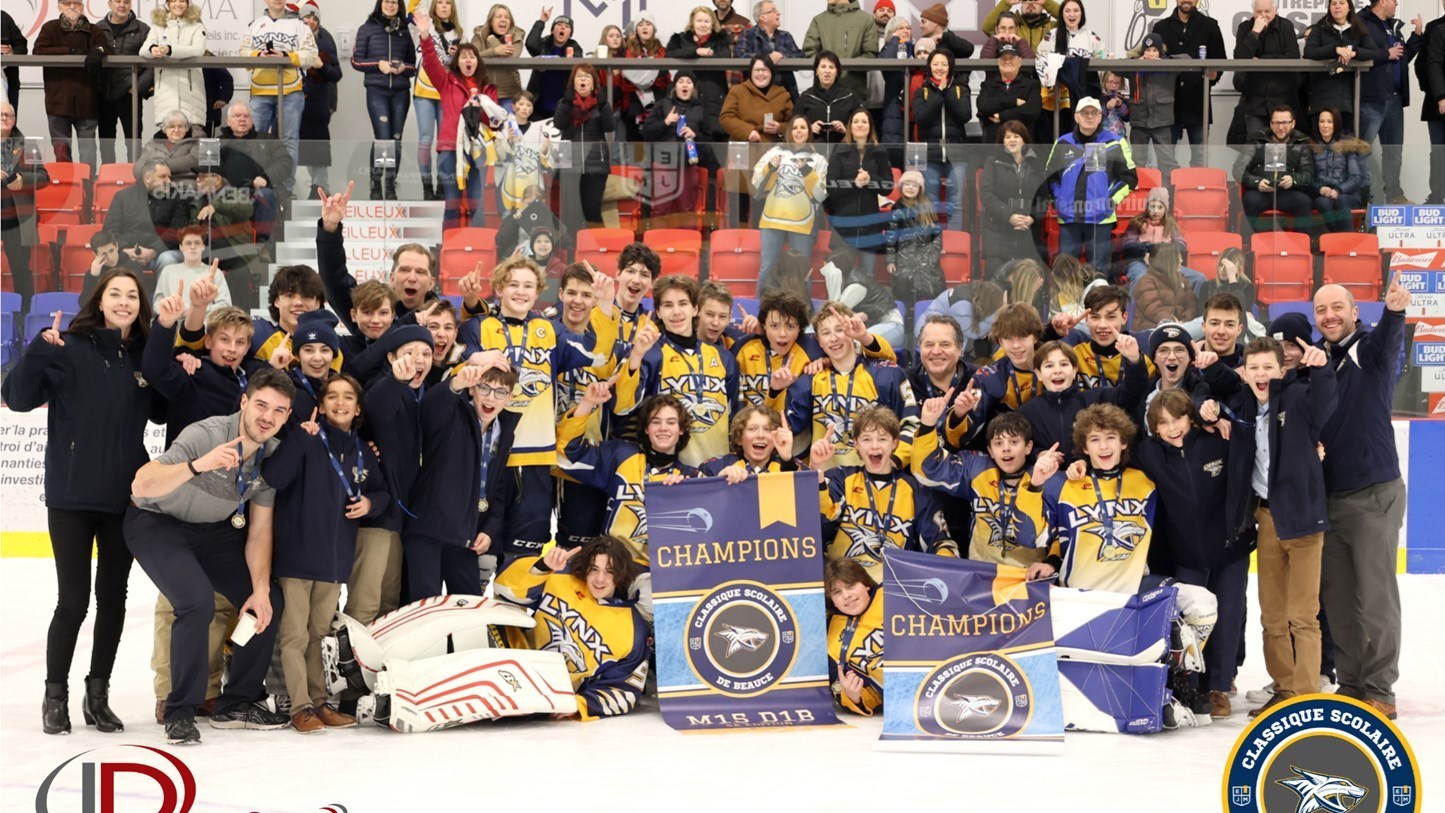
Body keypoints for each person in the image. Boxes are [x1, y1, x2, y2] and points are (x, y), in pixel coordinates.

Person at [3, 268, 156, 736]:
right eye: (116, 293)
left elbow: (169, 403)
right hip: (71, 496)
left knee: (113, 600)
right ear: (100, 300)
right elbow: (16, 398)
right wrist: (36, 352)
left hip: (123, 498)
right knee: (73, 600)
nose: (125, 301)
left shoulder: (144, 357)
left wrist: (180, 364)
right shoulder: (68, 347)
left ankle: (98, 693)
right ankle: (54, 695)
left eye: (132, 295)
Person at [126, 367, 296, 745]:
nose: (267, 417)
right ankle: (180, 711)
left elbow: (259, 531)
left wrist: (260, 588)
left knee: (267, 603)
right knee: (196, 603)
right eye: (261, 406)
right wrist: (197, 465)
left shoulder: (272, 455)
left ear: (287, 417)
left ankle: (236, 703)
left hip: (215, 532)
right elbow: (141, 485)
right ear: (244, 402)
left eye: (279, 411)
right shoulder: (206, 433)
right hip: (157, 522)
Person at [264, 373, 385, 733]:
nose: (340, 402)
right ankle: (300, 705)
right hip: (298, 554)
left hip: (335, 560)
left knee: (318, 634)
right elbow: (274, 476)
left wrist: (370, 503)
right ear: (321, 404)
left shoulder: (364, 450)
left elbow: (382, 493)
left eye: (348, 396)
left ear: (358, 408)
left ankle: (319, 701)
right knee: (294, 635)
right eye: (332, 396)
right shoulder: (306, 438)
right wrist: (300, 438)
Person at [1313, 277, 1411, 719]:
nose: (1329, 316)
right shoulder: (1318, 360)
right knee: (1339, 601)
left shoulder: (1368, 350)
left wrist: (1393, 313)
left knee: (1376, 598)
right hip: (1329, 499)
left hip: (1373, 494)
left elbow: (1388, 346)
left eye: (1337, 307)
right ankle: (1351, 684)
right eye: (1322, 310)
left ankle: (1380, 689)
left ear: (1355, 312)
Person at [1225, 337, 1336, 716]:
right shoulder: (1243, 407)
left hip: (1303, 520)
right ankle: (1285, 688)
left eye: (1268, 367)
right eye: (1253, 367)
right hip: (1267, 518)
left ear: (1282, 370)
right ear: (1244, 371)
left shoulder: (1298, 398)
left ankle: (1305, 694)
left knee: (1302, 615)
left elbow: (1324, 404)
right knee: (1272, 615)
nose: (1261, 374)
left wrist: (1321, 369)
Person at [1133, 389, 1252, 719]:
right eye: (1163, 423)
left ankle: (1219, 687)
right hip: (1185, 554)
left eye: (1179, 419)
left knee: (1228, 618)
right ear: (1154, 428)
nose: (1173, 428)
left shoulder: (1217, 441)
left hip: (1231, 550)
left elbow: (1249, 437)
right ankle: (1192, 684)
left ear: (1192, 418)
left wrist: (1222, 417)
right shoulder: (1147, 453)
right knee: (1192, 620)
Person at [559, 387, 701, 617]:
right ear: (646, 428)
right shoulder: (622, 455)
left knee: (650, 604)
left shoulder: (693, 478)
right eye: (656, 422)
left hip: (655, 572)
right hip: (609, 562)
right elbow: (568, 451)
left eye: (671, 422)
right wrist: (586, 404)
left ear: (681, 430)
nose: (663, 428)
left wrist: (684, 497)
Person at [494, 537, 651, 720]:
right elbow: (503, 588)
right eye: (594, 569)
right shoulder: (560, 579)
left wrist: (581, 704)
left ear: (621, 574)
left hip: (549, 699)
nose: (600, 579)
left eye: (610, 572)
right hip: (510, 670)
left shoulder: (634, 628)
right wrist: (543, 567)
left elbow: (625, 691)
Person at [405, 360, 517, 598]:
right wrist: (455, 383)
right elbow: (429, 408)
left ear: (509, 397)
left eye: (500, 392)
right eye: (485, 388)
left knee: (470, 604)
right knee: (426, 606)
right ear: (472, 389)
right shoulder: (452, 414)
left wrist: (489, 529)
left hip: (467, 534)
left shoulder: (505, 429)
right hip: (429, 528)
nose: (491, 398)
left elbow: (497, 487)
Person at [819, 405, 955, 583]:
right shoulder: (841, 478)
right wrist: (817, 469)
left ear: (895, 443)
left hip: (895, 590)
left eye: (882, 439)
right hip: (846, 587)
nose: (875, 446)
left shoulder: (917, 490)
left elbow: (939, 541)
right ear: (856, 444)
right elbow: (821, 521)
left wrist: (947, 569)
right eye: (867, 439)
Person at [613, 275, 738, 466]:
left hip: (718, 471)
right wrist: (636, 354)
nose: (676, 312)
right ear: (659, 312)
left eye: (683, 303)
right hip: (670, 472)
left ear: (695, 308)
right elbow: (621, 406)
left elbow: (734, 415)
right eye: (668, 305)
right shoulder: (651, 354)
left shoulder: (724, 358)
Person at [913, 410, 1060, 567]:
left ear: (1028, 447)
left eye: (1014, 442)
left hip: (1027, 577)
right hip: (980, 573)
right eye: (998, 443)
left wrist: (1034, 486)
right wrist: (928, 425)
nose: (1006, 449)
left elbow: (1032, 539)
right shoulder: (976, 469)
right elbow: (926, 470)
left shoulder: (1048, 479)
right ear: (990, 450)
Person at [780, 303, 915, 470]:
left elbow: (912, 424)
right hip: (828, 484)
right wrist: (777, 390)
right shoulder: (811, 380)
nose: (834, 338)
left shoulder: (885, 374)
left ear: (852, 332)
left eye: (839, 329)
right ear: (819, 342)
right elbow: (785, 428)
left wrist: (893, 462)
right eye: (826, 333)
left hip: (876, 480)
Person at [414, 7, 501, 230]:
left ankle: (476, 249)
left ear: (478, 62)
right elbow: (431, 63)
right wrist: (425, 36)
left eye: (472, 56)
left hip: (479, 150)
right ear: (457, 62)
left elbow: (494, 121)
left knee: (476, 204)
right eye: (463, 56)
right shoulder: (447, 83)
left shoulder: (489, 89)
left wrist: (480, 107)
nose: (468, 60)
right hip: (450, 149)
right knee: (451, 204)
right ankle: (450, 251)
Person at [1044, 96, 1138, 269]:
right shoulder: (1062, 143)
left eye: (1094, 113)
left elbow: (1129, 178)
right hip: (1069, 219)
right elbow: (1050, 178)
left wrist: (1109, 202)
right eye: (1084, 113)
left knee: (1099, 273)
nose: (1089, 117)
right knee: (1066, 274)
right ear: (1076, 116)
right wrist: (1059, 201)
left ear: (1101, 116)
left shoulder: (1115, 142)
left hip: (1101, 220)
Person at [244, 0, 319, 189]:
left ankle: (286, 188)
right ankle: (255, 187)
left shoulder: (299, 24)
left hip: (290, 90)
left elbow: (311, 55)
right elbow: (243, 53)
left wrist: (287, 56)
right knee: (254, 142)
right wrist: (258, 56)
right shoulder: (254, 25)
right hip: (260, 90)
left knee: (289, 142)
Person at [1359, 0, 1424, 204]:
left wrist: (1416, 36)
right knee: (1361, 150)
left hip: (1394, 98)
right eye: (1394, 0)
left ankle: (1394, 195)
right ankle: (1361, 198)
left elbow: (1401, 58)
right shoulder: (1360, 23)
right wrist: (1385, 54)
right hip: (1371, 98)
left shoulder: (1392, 26)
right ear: (1384, 1)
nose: (1396, 4)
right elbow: (1356, 53)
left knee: (1394, 151)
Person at [752, 116, 827, 291]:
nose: (799, 131)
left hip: (802, 223)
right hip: (772, 220)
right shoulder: (774, 152)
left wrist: (807, 171)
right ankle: (760, 310)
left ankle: (803, 312)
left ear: (809, 132)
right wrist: (770, 166)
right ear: (789, 132)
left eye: (803, 127)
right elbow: (757, 182)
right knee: (767, 268)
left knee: (802, 271)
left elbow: (820, 194)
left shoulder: (818, 159)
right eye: (795, 128)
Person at [1147, 0, 1225, 168]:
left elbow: (1221, 61)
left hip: (1198, 101)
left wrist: (1214, 75)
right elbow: (1152, 62)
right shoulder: (1160, 27)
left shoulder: (1210, 25)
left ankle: (1198, 192)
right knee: (1165, 159)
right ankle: (1167, 193)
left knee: (1200, 158)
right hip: (1166, 103)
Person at [33, 0, 111, 167]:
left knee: (88, 149)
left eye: (76, 3)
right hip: (58, 100)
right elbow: (39, 50)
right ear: (59, 7)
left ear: (82, 7)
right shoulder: (50, 28)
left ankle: (88, 186)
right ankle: (66, 187)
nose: (72, 6)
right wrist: (69, 51)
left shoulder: (94, 30)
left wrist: (99, 51)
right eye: (67, 3)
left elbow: (106, 48)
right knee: (61, 150)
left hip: (86, 98)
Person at [352, 0, 415, 200]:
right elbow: (356, 60)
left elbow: (414, 66)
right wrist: (378, 64)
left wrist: (404, 68)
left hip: (400, 92)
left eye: (394, 2)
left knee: (396, 138)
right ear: (380, 4)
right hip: (377, 90)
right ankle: (376, 184)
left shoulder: (404, 32)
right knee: (383, 137)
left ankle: (390, 184)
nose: (390, 5)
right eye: (386, 1)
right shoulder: (366, 28)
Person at [642, 72, 714, 229]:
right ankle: (658, 248)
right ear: (675, 86)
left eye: (689, 82)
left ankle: (688, 248)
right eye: (681, 81)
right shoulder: (663, 104)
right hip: (663, 162)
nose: (685, 85)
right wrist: (665, 122)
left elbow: (709, 139)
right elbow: (647, 132)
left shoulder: (700, 109)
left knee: (687, 210)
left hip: (688, 164)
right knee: (661, 209)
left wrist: (695, 135)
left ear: (693, 87)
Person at [217, 101, 293, 247]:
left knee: (267, 194)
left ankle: (262, 244)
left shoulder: (267, 139)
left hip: (257, 191)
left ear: (252, 120)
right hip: (226, 192)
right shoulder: (217, 142)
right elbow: (206, 169)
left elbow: (285, 162)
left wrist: (266, 177)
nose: (242, 119)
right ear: (229, 120)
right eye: (237, 116)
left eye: (246, 116)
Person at [912, 48, 972, 231]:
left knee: (956, 202)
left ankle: (954, 241)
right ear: (929, 66)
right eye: (936, 64)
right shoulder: (922, 91)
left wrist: (948, 93)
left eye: (944, 64)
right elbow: (921, 118)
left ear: (950, 67)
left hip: (957, 154)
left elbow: (964, 115)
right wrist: (939, 95)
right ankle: (932, 242)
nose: (940, 68)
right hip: (931, 155)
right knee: (930, 201)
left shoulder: (961, 89)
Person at [554, 63, 617, 232]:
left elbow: (609, 127)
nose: (583, 79)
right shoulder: (565, 102)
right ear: (573, 82)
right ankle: (572, 252)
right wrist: (566, 104)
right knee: (571, 213)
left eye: (587, 76)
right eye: (579, 76)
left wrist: (604, 107)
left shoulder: (601, 103)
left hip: (595, 165)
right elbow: (559, 124)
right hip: (570, 164)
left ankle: (594, 250)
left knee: (592, 210)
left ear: (593, 83)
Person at [980, 120, 1045, 277]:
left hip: (1027, 231)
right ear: (1002, 141)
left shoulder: (1037, 163)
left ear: (1024, 140)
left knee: (1028, 278)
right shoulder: (992, 162)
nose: (1012, 140)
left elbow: (1043, 197)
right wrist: (1009, 216)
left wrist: (1032, 217)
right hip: (998, 230)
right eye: (1007, 137)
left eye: (1016, 136)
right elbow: (987, 195)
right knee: (996, 276)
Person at [0, 103, 49, 311]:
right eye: (0, 114)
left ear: (15, 119)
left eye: (8, 114)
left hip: (17, 220)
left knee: (21, 271)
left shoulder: (29, 145)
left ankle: (24, 315)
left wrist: (23, 178)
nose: (4, 117)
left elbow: (44, 177)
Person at [1237, 105, 1315, 233]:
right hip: (1260, 192)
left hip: (1287, 193)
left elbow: (1308, 173)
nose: (1280, 127)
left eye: (1285, 122)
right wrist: (1256, 182)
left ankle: (1298, 246)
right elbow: (1239, 169)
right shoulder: (1257, 140)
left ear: (1293, 123)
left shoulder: (1301, 143)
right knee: (1250, 201)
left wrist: (1293, 180)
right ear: (1271, 124)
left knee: (1304, 202)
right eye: (1276, 123)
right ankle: (1253, 245)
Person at [825, 108, 891, 256]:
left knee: (868, 274)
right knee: (842, 273)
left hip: (870, 225)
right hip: (844, 224)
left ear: (870, 127)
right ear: (850, 127)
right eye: (856, 121)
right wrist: (855, 183)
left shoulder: (880, 152)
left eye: (864, 121)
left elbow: (888, 186)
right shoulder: (840, 150)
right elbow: (831, 185)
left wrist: (870, 180)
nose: (860, 125)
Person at [102, 161, 189, 272]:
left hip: (162, 252)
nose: (169, 181)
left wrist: (154, 250)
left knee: (167, 260)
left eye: (169, 177)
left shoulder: (177, 198)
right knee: (112, 258)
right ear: (148, 178)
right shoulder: (122, 197)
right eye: (163, 176)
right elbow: (110, 229)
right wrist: (125, 249)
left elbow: (177, 229)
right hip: (127, 252)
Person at [823, 558, 884, 715]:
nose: (846, 595)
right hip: (909, 703)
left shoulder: (893, 595)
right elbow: (871, 696)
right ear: (832, 600)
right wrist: (854, 697)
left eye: (850, 586)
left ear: (866, 584)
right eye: (837, 592)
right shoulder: (830, 637)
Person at [1232, 0, 1300, 141]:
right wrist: (1254, 32)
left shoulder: (1286, 26)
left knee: (1284, 149)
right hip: (1255, 101)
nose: (1263, 15)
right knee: (1256, 148)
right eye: (1259, 12)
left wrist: (1261, 60)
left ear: (1275, 10)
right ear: (1253, 11)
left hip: (1282, 100)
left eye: (1267, 11)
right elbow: (1240, 58)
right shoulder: (1245, 28)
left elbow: (1293, 56)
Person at [1303, 0, 1379, 123]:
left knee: (1347, 139)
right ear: (1329, 8)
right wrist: (1335, 49)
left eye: (1341, 3)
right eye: (1333, 4)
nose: (1337, 6)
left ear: (1349, 7)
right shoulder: (1319, 27)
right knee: (1320, 140)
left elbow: (1375, 53)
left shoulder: (1358, 27)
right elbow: (1309, 52)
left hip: (1350, 97)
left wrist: (1354, 53)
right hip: (1322, 95)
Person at [96, 0, 152, 165]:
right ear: (109, 4)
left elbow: (152, 64)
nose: (122, 5)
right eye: (118, 1)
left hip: (130, 94)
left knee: (133, 140)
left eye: (126, 2)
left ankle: (135, 180)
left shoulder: (143, 29)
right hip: (103, 94)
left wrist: (138, 86)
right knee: (106, 142)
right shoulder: (97, 28)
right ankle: (107, 179)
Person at [1037, 0, 1103, 140]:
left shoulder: (1091, 36)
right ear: (1061, 14)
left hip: (1084, 91)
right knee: (1061, 132)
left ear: (1082, 13)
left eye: (1076, 10)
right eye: (1067, 11)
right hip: (1059, 95)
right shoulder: (1052, 35)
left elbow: (1103, 60)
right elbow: (1040, 58)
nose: (1071, 15)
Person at [820, 243, 904, 348]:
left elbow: (835, 312)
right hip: (872, 324)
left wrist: (833, 280)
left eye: (827, 270)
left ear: (837, 270)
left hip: (889, 324)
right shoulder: (847, 278)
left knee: (853, 344)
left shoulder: (856, 285)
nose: (824, 274)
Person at [297, 2, 341, 200]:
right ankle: (298, 186)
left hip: (318, 102)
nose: (311, 22)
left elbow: (335, 74)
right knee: (293, 144)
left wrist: (321, 66)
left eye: (315, 19)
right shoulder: (290, 35)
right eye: (307, 17)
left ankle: (319, 186)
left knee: (318, 146)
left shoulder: (326, 39)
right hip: (292, 99)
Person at [887, 169, 946, 307]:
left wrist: (934, 254)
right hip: (905, 258)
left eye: (914, 185)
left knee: (932, 290)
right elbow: (891, 236)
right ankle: (908, 319)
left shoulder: (927, 206)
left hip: (927, 257)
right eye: (907, 184)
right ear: (901, 186)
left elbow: (936, 233)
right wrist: (890, 260)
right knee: (906, 293)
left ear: (920, 189)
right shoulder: (897, 208)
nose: (910, 188)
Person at [804, 0, 879, 105]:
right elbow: (809, 51)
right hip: (822, 93)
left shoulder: (865, 20)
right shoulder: (819, 20)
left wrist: (845, 69)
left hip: (854, 92)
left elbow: (870, 54)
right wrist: (827, 68)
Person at [666, 7, 734, 123]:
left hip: (714, 94)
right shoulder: (680, 39)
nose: (703, 25)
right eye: (699, 21)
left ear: (713, 24)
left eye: (707, 21)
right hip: (688, 94)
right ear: (692, 23)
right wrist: (696, 51)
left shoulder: (720, 40)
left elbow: (725, 56)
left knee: (714, 132)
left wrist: (704, 55)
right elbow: (670, 54)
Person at [1310, 106, 1371, 232]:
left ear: (1336, 124)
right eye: (1322, 121)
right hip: (1323, 195)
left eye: (1329, 121)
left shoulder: (1346, 144)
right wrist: (1320, 188)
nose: (1325, 125)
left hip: (1347, 194)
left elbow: (1356, 177)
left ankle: (1345, 239)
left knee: (1341, 200)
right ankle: (1338, 238)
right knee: (1323, 203)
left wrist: (1338, 190)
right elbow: (1308, 177)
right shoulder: (1312, 146)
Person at [1127, 34, 1179, 183]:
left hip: (1162, 122)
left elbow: (1188, 58)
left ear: (1160, 52)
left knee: (1168, 163)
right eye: (1148, 50)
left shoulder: (1169, 66)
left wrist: (1164, 62)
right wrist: (1135, 62)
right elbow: (1116, 66)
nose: (1151, 54)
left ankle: (1170, 196)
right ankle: (1138, 197)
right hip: (1139, 122)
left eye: (1155, 50)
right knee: (1137, 163)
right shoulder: (1134, 67)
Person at [1121, 187, 1191, 288]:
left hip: (1167, 264)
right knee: (1142, 277)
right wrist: (1148, 248)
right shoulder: (1136, 223)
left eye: (1160, 207)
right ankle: (1134, 304)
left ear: (1165, 209)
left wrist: (1163, 250)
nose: (1155, 211)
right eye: (1152, 206)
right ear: (1146, 207)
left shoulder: (1171, 225)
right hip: (1140, 262)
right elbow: (1128, 244)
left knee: (1198, 277)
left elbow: (1181, 244)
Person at [700, 405, 798, 477]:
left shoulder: (795, 466)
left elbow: (804, 494)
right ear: (739, 438)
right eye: (752, 429)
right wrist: (720, 480)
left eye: (768, 429)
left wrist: (787, 460)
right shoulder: (715, 466)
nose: (760, 435)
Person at [619, 13, 671, 146]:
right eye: (640, 25)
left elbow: (664, 78)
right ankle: (638, 166)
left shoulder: (662, 51)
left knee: (656, 147)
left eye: (648, 24)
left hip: (658, 105)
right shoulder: (628, 51)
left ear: (654, 28)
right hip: (634, 106)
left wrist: (641, 78)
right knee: (637, 152)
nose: (644, 28)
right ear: (636, 30)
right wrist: (650, 76)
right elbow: (626, 81)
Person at [735, 1, 804, 99]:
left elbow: (800, 56)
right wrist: (766, 58)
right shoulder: (748, 35)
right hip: (755, 94)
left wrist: (783, 55)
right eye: (773, 11)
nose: (778, 13)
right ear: (763, 17)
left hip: (784, 93)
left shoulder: (786, 36)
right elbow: (740, 56)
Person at [977, 43, 1042, 145]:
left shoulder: (1031, 85)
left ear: (1020, 61)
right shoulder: (988, 85)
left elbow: (1033, 110)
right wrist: (1014, 101)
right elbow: (983, 106)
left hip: (1023, 148)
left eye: (1011, 58)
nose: (1007, 61)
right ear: (998, 62)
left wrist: (1001, 115)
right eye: (1003, 58)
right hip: (992, 146)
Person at [721, 55, 793, 146]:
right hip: (743, 147)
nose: (760, 74)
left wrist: (780, 128)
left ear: (771, 73)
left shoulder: (782, 95)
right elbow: (726, 117)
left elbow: (793, 123)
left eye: (764, 70)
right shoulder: (738, 91)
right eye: (757, 70)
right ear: (750, 73)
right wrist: (748, 132)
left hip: (772, 150)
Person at [155, 228, 233, 310]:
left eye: (197, 243)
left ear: (203, 247)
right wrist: (173, 310)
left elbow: (226, 306)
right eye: (188, 243)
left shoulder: (215, 273)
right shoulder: (167, 271)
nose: (193, 247)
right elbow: (157, 304)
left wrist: (194, 309)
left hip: (205, 321)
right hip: (174, 320)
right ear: (181, 247)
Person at [525, 8, 581, 119]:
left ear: (570, 34)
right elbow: (530, 44)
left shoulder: (574, 47)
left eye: (567, 26)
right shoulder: (544, 43)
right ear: (552, 30)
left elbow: (578, 63)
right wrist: (542, 21)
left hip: (563, 110)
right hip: (537, 107)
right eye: (559, 24)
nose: (563, 27)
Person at [797, 51, 858, 147]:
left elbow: (864, 127)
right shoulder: (806, 97)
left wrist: (846, 130)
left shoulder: (849, 96)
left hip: (843, 153)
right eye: (823, 66)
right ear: (816, 71)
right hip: (812, 153)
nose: (827, 71)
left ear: (837, 72)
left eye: (831, 67)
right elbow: (793, 127)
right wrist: (808, 129)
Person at [1132, 244, 1199, 330]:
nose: (1181, 260)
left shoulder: (1182, 279)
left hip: (1181, 326)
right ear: (1167, 261)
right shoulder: (1146, 281)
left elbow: (1192, 305)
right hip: (1153, 328)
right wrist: (1173, 322)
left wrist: (1184, 321)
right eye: (1178, 257)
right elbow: (1154, 310)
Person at [472, 3, 522, 112]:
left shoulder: (516, 36)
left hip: (510, 94)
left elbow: (511, 57)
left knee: (508, 128)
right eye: (499, 17)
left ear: (511, 22)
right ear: (491, 21)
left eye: (507, 17)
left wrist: (491, 40)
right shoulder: (479, 35)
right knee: (485, 128)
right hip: (484, 93)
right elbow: (472, 56)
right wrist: (494, 51)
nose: (503, 19)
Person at [135, 110, 203, 186]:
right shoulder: (152, 144)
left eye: (180, 126)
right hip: (156, 185)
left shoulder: (195, 143)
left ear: (186, 128)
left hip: (184, 185)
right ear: (165, 129)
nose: (176, 130)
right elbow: (138, 169)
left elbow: (194, 161)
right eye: (172, 127)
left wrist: (159, 166)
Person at [983, 0, 1058, 52]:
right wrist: (1006, 3)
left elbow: (1067, 18)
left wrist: (1048, 3)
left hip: (1046, 73)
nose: (1030, 3)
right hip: (1016, 73)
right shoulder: (1011, 27)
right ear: (1021, 6)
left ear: (1043, 7)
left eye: (1035, 0)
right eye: (1026, 0)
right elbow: (988, 28)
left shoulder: (1053, 27)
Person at [1, 10, 27, 111]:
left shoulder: (3, 17)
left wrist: (12, 53)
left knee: (8, 123)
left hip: (8, 82)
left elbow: (21, 44)